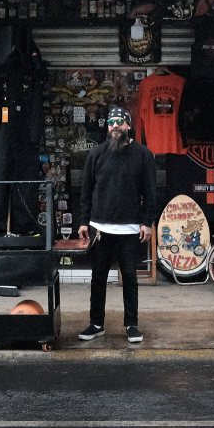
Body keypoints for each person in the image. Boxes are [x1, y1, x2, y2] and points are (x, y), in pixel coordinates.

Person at [77, 106, 157, 343]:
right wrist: (83, 221)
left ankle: (131, 324)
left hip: (130, 229)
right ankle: (96, 323)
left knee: (130, 278)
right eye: (111, 122)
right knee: (98, 277)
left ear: (128, 126)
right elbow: (86, 191)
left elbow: (150, 193)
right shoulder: (96, 154)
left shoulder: (143, 155)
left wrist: (146, 222)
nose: (114, 126)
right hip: (100, 229)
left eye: (119, 122)